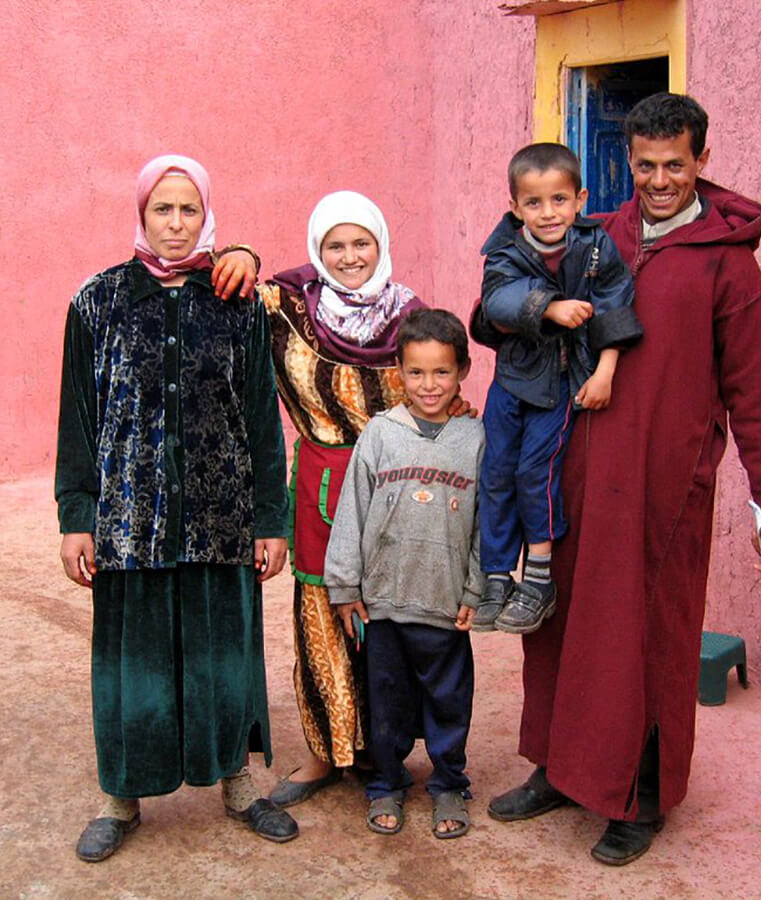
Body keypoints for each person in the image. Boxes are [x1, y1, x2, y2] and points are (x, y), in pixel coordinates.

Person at [486, 93, 761, 865]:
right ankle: (559, 769)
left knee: (647, 636)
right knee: (562, 625)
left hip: (665, 483)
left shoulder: (727, 263)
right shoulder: (600, 238)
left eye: (675, 164)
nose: (660, 179)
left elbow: (757, 386)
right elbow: (514, 295)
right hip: (570, 464)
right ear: (626, 165)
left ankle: (642, 794)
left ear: (701, 160)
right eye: (645, 166)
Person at [55, 154, 298, 862]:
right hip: (128, 524)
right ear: (140, 214)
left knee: (225, 658)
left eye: (188, 209)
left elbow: (261, 415)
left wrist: (269, 519)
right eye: (162, 209)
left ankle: (239, 784)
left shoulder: (236, 302)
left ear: (207, 216)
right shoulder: (97, 302)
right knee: (132, 666)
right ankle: (120, 798)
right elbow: (78, 417)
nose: (174, 222)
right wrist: (78, 515)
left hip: (220, 522)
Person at [258, 191, 425, 808]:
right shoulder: (288, 312)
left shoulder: (411, 317)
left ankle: (388, 751)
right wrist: (244, 252)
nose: (350, 256)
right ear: (316, 251)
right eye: (335, 245)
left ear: (381, 246)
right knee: (321, 616)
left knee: (394, 619)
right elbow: (227, 275)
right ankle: (324, 753)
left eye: (362, 243)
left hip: (395, 487)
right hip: (322, 487)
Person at [323, 308, 484, 838]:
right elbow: (352, 511)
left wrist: (476, 587)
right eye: (416, 372)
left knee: (448, 699)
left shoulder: (475, 439)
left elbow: (488, 520)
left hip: (443, 601)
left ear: (462, 370)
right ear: (398, 371)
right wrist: (345, 585)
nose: (429, 384)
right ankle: (386, 783)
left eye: (442, 372)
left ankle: (448, 785)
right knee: (387, 699)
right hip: (384, 601)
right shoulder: (379, 435)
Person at [470, 143, 640, 635]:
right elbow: (498, 300)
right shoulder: (504, 249)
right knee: (496, 472)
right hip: (511, 382)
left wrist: (604, 371)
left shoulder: (596, 246)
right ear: (515, 207)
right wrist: (548, 307)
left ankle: (539, 577)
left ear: (580, 197)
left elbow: (615, 307)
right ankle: (497, 575)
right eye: (535, 203)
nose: (549, 213)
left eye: (560, 200)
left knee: (535, 473)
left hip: (562, 383)